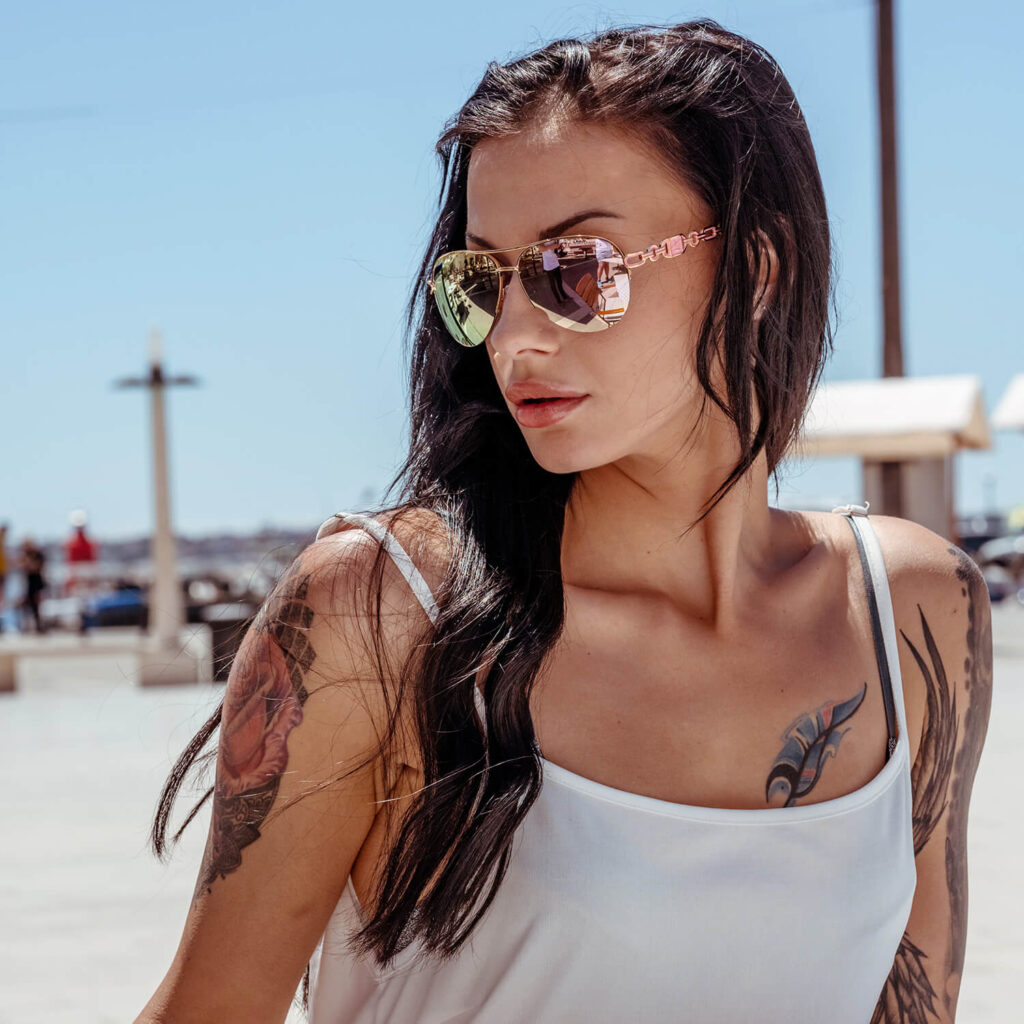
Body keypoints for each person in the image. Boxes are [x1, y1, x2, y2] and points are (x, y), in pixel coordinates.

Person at [138, 19, 992, 1024]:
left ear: (759, 267)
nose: (514, 336)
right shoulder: (381, 611)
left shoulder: (913, 612)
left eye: (576, 270)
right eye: (481, 282)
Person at [18, 537, 47, 634]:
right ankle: (28, 627)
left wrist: (29, 563)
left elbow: (36, 567)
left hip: (37, 583)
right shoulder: (26, 555)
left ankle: (40, 626)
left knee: (38, 605)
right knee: (28, 605)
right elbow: (21, 566)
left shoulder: (38, 555)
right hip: (28, 583)